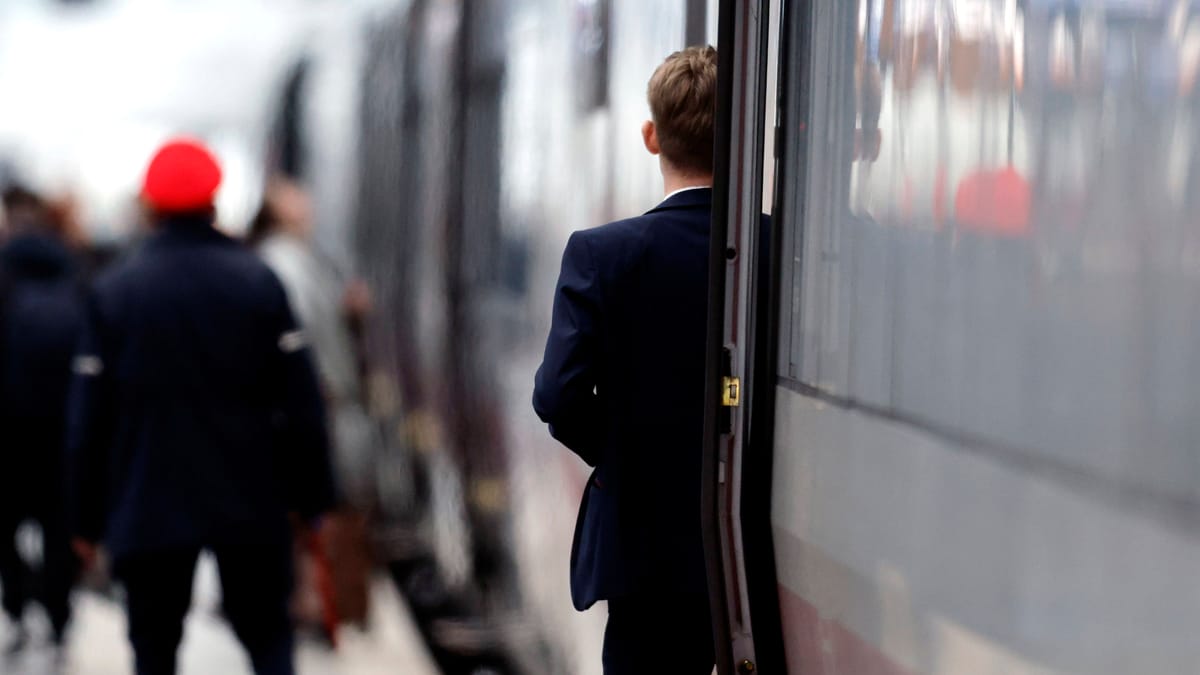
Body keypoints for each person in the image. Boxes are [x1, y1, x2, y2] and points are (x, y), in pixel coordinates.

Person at [67, 138, 336, 675]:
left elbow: (88, 417)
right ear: (215, 202)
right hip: (249, 498)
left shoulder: (116, 291)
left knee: (154, 648)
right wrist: (315, 503)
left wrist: (83, 517)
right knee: (267, 640)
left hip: (147, 501)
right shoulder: (259, 283)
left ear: (150, 206)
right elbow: (303, 402)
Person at [532, 46, 718, 675]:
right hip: (757, 550)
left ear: (650, 136)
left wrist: (620, 452)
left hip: (642, 553)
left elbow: (556, 395)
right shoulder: (780, 251)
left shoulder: (601, 254)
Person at [246, 176, 376, 633]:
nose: (308, 201)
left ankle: (324, 606)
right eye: (294, 196)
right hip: (320, 405)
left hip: (321, 404)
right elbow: (296, 339)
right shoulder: (285, 262)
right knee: (317, 512)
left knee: (320, 513)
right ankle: (317, 606)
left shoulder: (298, 259)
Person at [0, 185, 85, 658]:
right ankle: (58, 615)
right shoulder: (75, 273)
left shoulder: (3, 276)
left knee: (6, 525)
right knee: (59, 525)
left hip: (8, 428)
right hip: (63, 428)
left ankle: (17, 600)